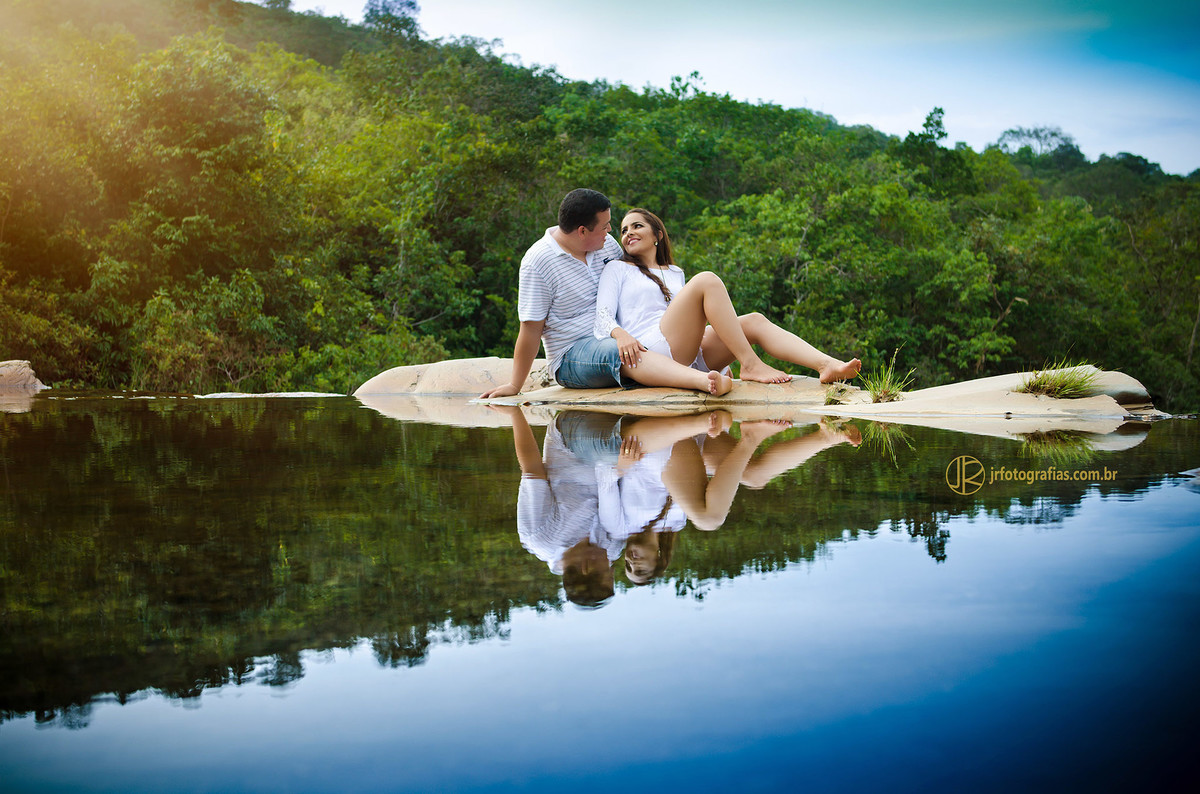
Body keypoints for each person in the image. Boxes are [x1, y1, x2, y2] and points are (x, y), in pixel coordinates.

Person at [480, 189, 733, 400]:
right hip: (572, 354)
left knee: (632, 344)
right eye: (604, 226)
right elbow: (531, 329)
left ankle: (700, 370)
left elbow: (641, 289)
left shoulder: (606, 246)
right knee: (622, 350)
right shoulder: (538, 263)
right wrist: (515, 385)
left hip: (620, 334)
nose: (612, 231)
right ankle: (702, 381)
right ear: (582, 231)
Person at [594, 208, 862, 384]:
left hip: (688, 351)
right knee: (707, 280)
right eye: (623, 230)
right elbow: (602, 315)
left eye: (636, 226)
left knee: (755, 321)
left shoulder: (674, 272)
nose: (628, 233)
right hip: (651, 350)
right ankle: (751, 364)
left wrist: (721, 366)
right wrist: (620, 335)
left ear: (658, 235)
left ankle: (827, 365)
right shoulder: (617, 268)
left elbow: (689, 324)